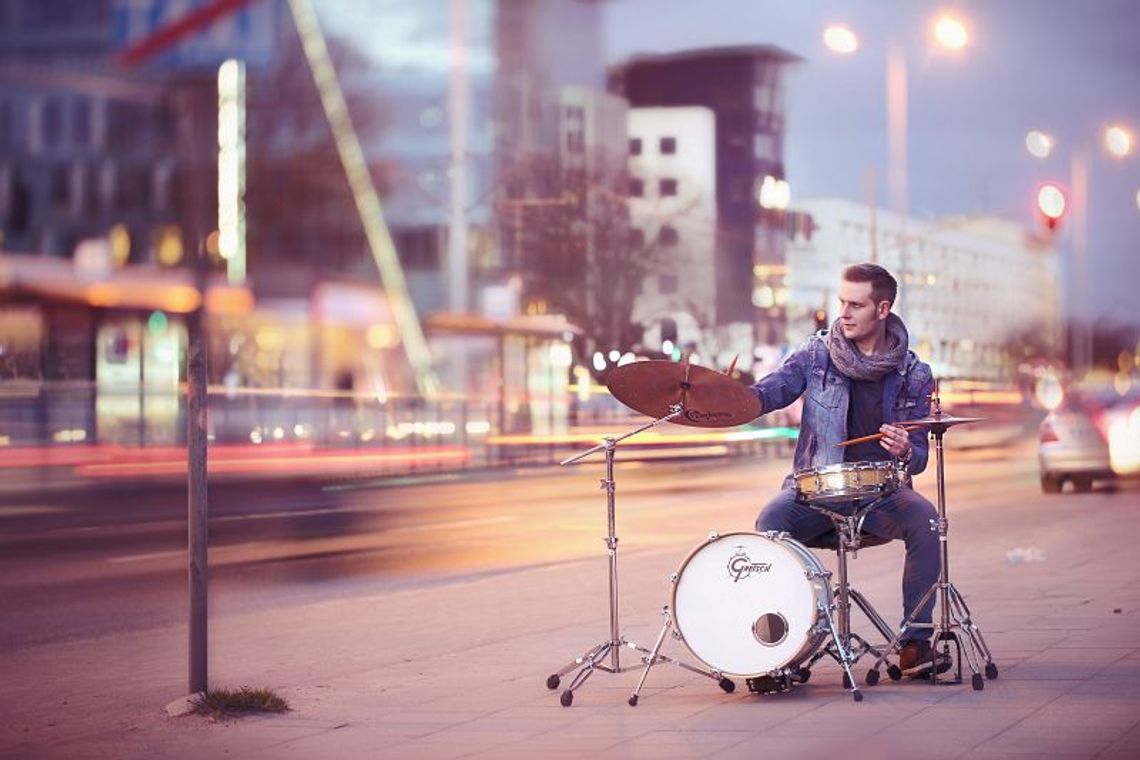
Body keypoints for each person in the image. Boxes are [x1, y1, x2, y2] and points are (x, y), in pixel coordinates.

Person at [750, 263, 948, 678]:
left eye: (855, 304)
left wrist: (904, 451)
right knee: (771, 521)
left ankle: (915, 641)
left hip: (881, 494)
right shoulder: (816, 354)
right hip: (815, 489)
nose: (844, 312)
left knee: (927, 520)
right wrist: (726, 399)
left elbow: (919, 456)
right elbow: (771, 391)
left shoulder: (914, 373)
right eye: (841, 302)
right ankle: (775, 646)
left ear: (882, 308)